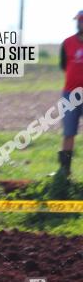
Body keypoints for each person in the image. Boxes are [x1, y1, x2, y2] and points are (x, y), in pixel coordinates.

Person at [58, 10, 83, 176]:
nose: (81, 23)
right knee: (69, 133)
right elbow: (63, 65)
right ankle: (64, 170)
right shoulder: (67, 43)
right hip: (70, 94)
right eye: (80, 20)